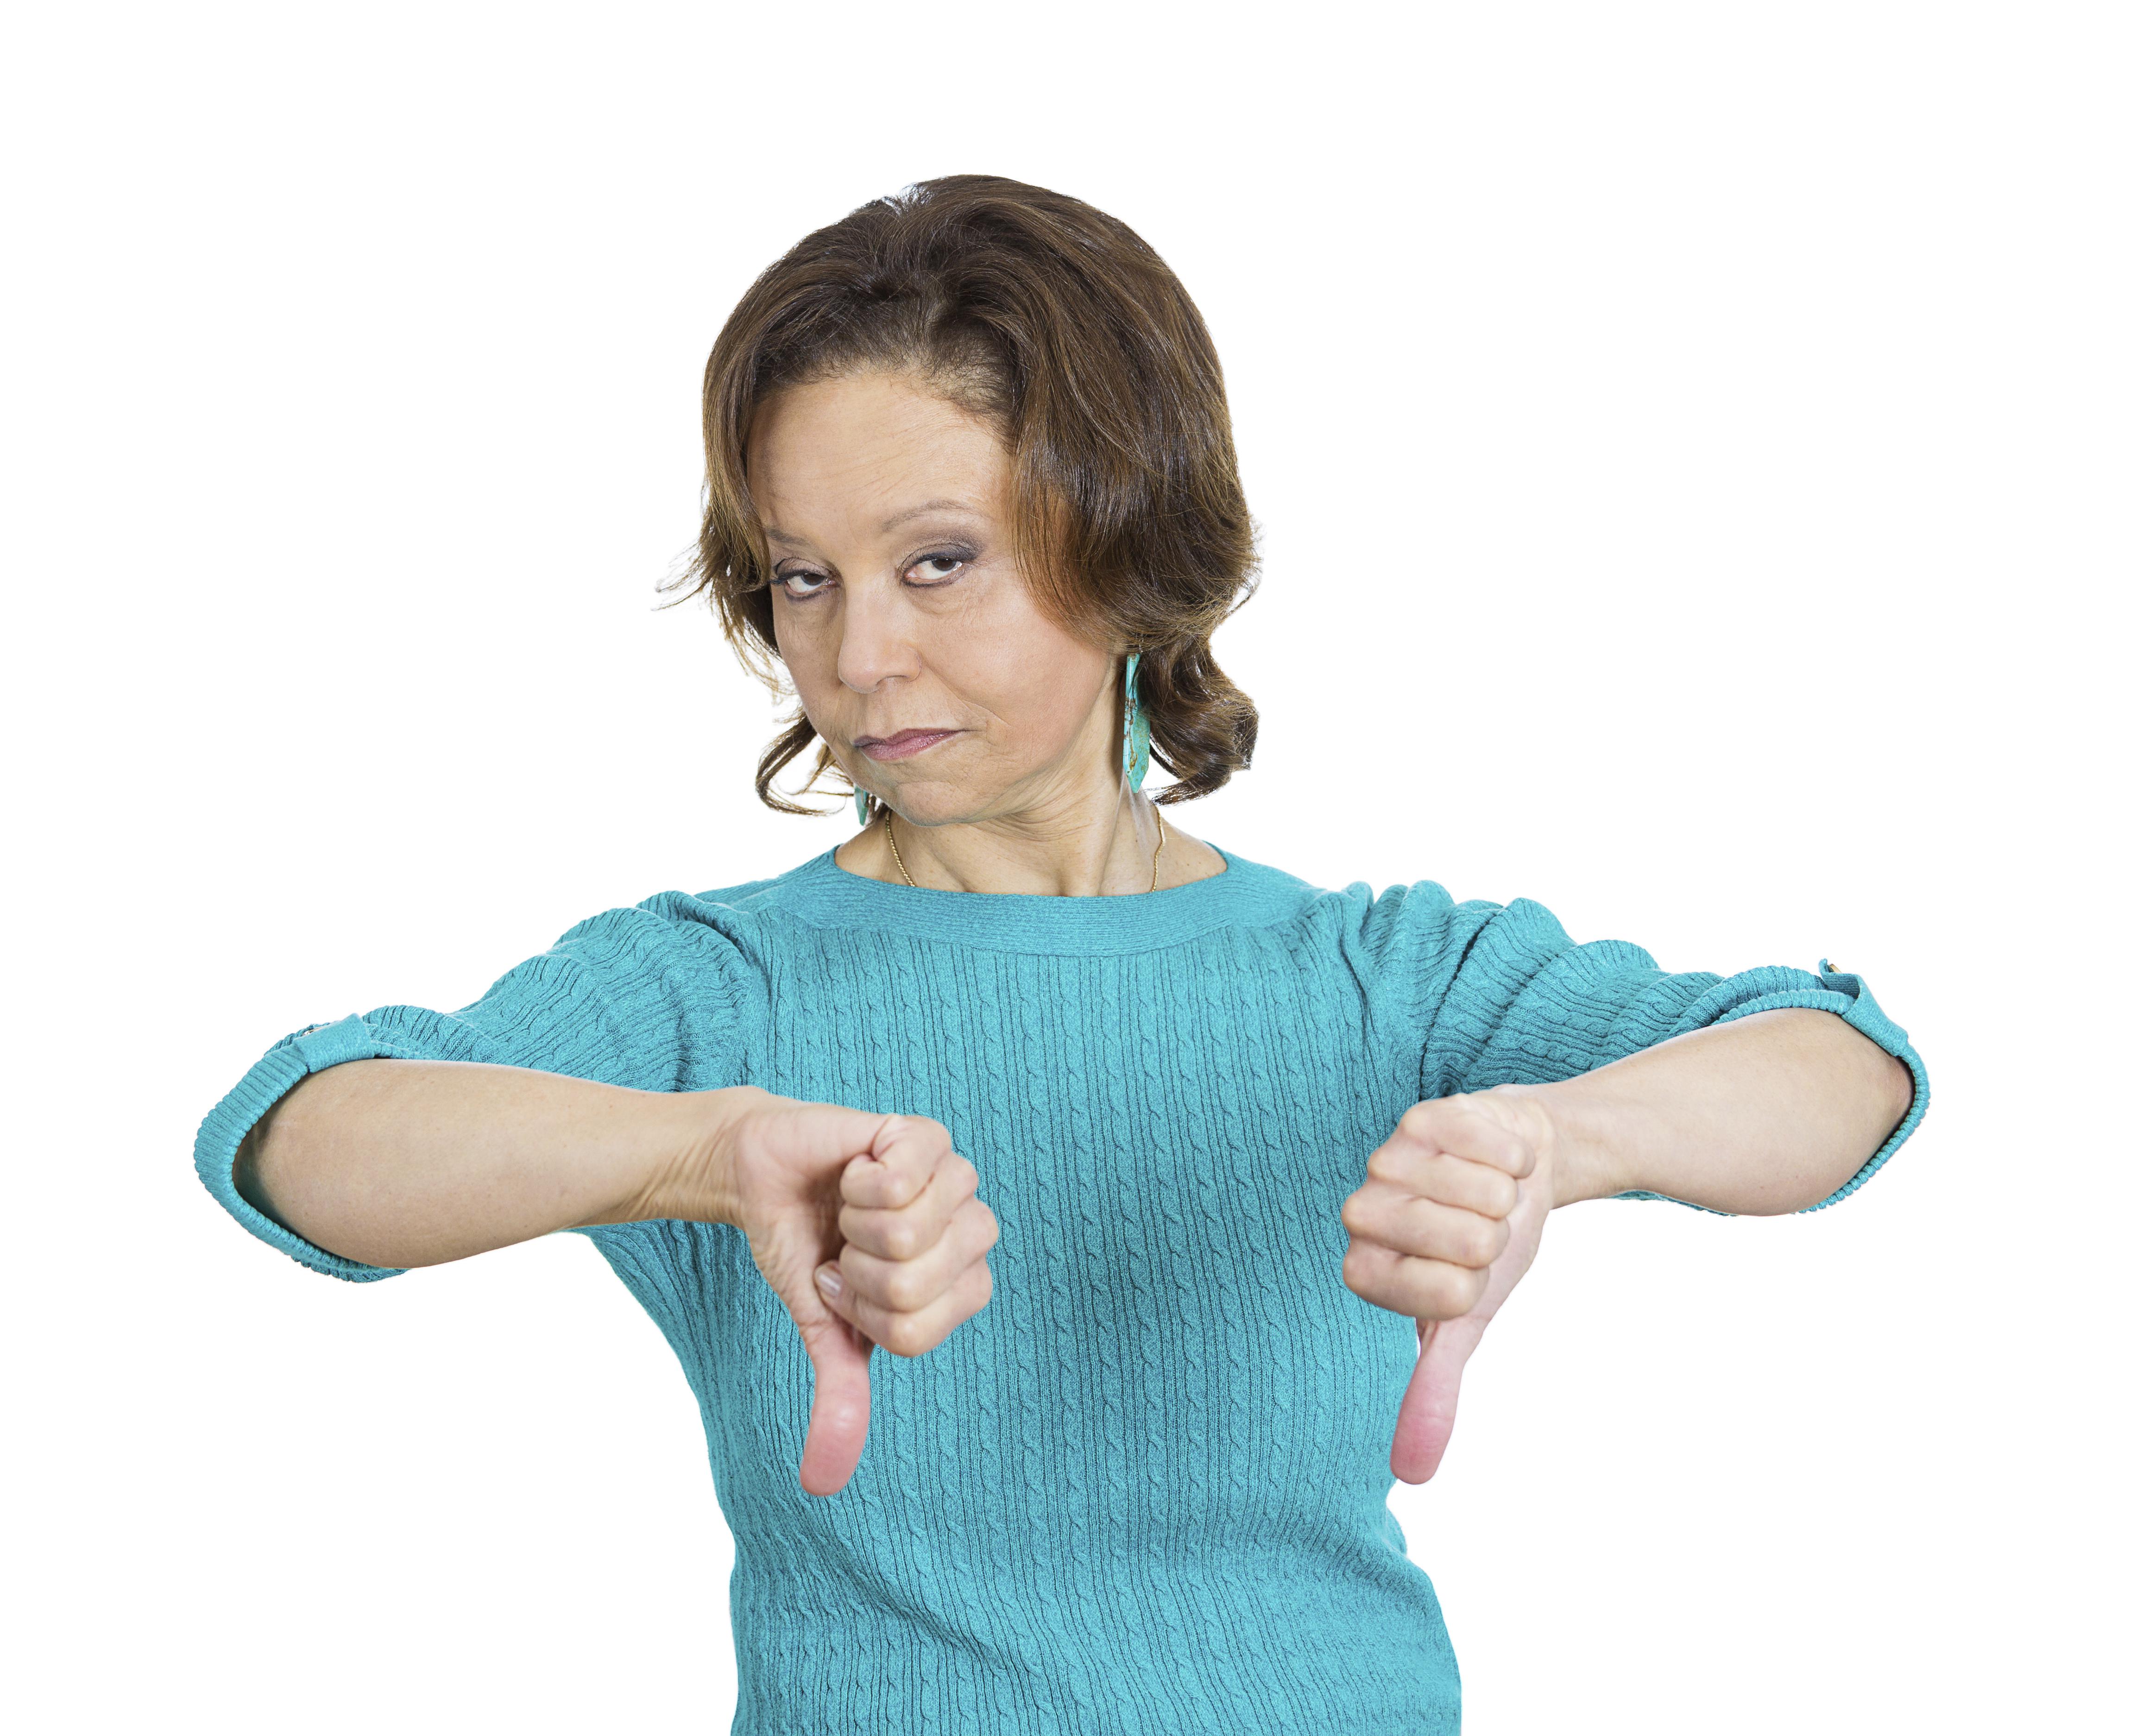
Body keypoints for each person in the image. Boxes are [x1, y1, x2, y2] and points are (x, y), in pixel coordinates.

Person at [195, 175, 1927, 1734]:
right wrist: (700, 1152)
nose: (861, 654)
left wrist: (1573, 1139)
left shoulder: (1382, 978)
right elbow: (298, 1137)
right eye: (805, 579)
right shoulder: (717, 991)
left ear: (1129, 540)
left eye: (938, 562)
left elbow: (1839, 1067)